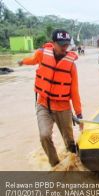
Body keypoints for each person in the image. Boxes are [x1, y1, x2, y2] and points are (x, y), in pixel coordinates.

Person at [18, 29, 83, 167]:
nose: (64, 48)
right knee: (44, 136)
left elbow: (74, 92)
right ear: (53, 43)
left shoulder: (71, 65)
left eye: (66, 44)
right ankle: (56, 166)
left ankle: (75, 163)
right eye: (61, 44)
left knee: (70, 142)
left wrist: (79, 114)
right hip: (43, 104)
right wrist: (22, 62)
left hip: (62, 107)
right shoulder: (42, 54)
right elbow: (33, 60)